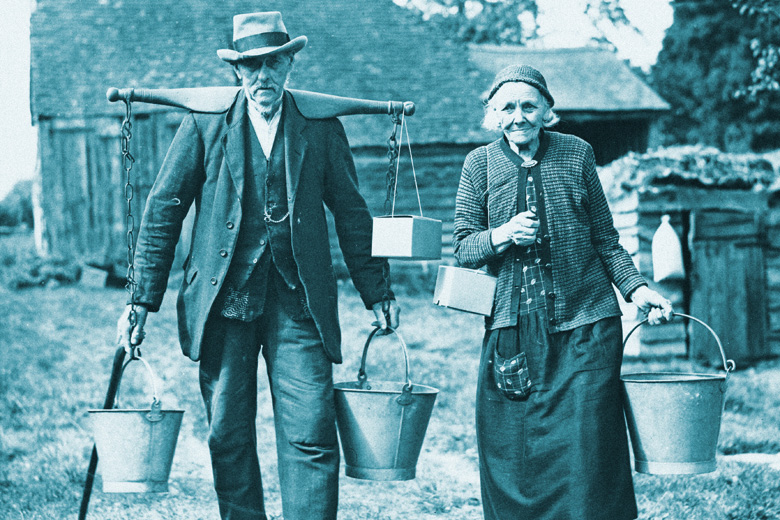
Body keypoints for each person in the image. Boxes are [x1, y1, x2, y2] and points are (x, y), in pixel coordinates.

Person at [116, 11, 400, 520]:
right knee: (227, 432)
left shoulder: (320, 130)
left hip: (299, 304)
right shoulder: (203, 126)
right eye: (251, 66)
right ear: (237, 71)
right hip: (223, 302)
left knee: (312, 430)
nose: (262, 76)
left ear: (290, 63)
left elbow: (354, 215)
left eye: (273, 63)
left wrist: (377, 292)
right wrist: (140, 299)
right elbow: (162, 211)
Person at [453, 64, 672, 520]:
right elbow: (463, 248)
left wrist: (636, 289)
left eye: (529, 105)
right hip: (514, 328)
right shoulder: (479, 163)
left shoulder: (576, 154)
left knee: (590, 447)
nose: (518, 116)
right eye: (507, 107)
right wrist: (504, 234)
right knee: (515, 451)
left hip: (588, 323)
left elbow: (605, 239)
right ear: (493, 114)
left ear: (547, 111)